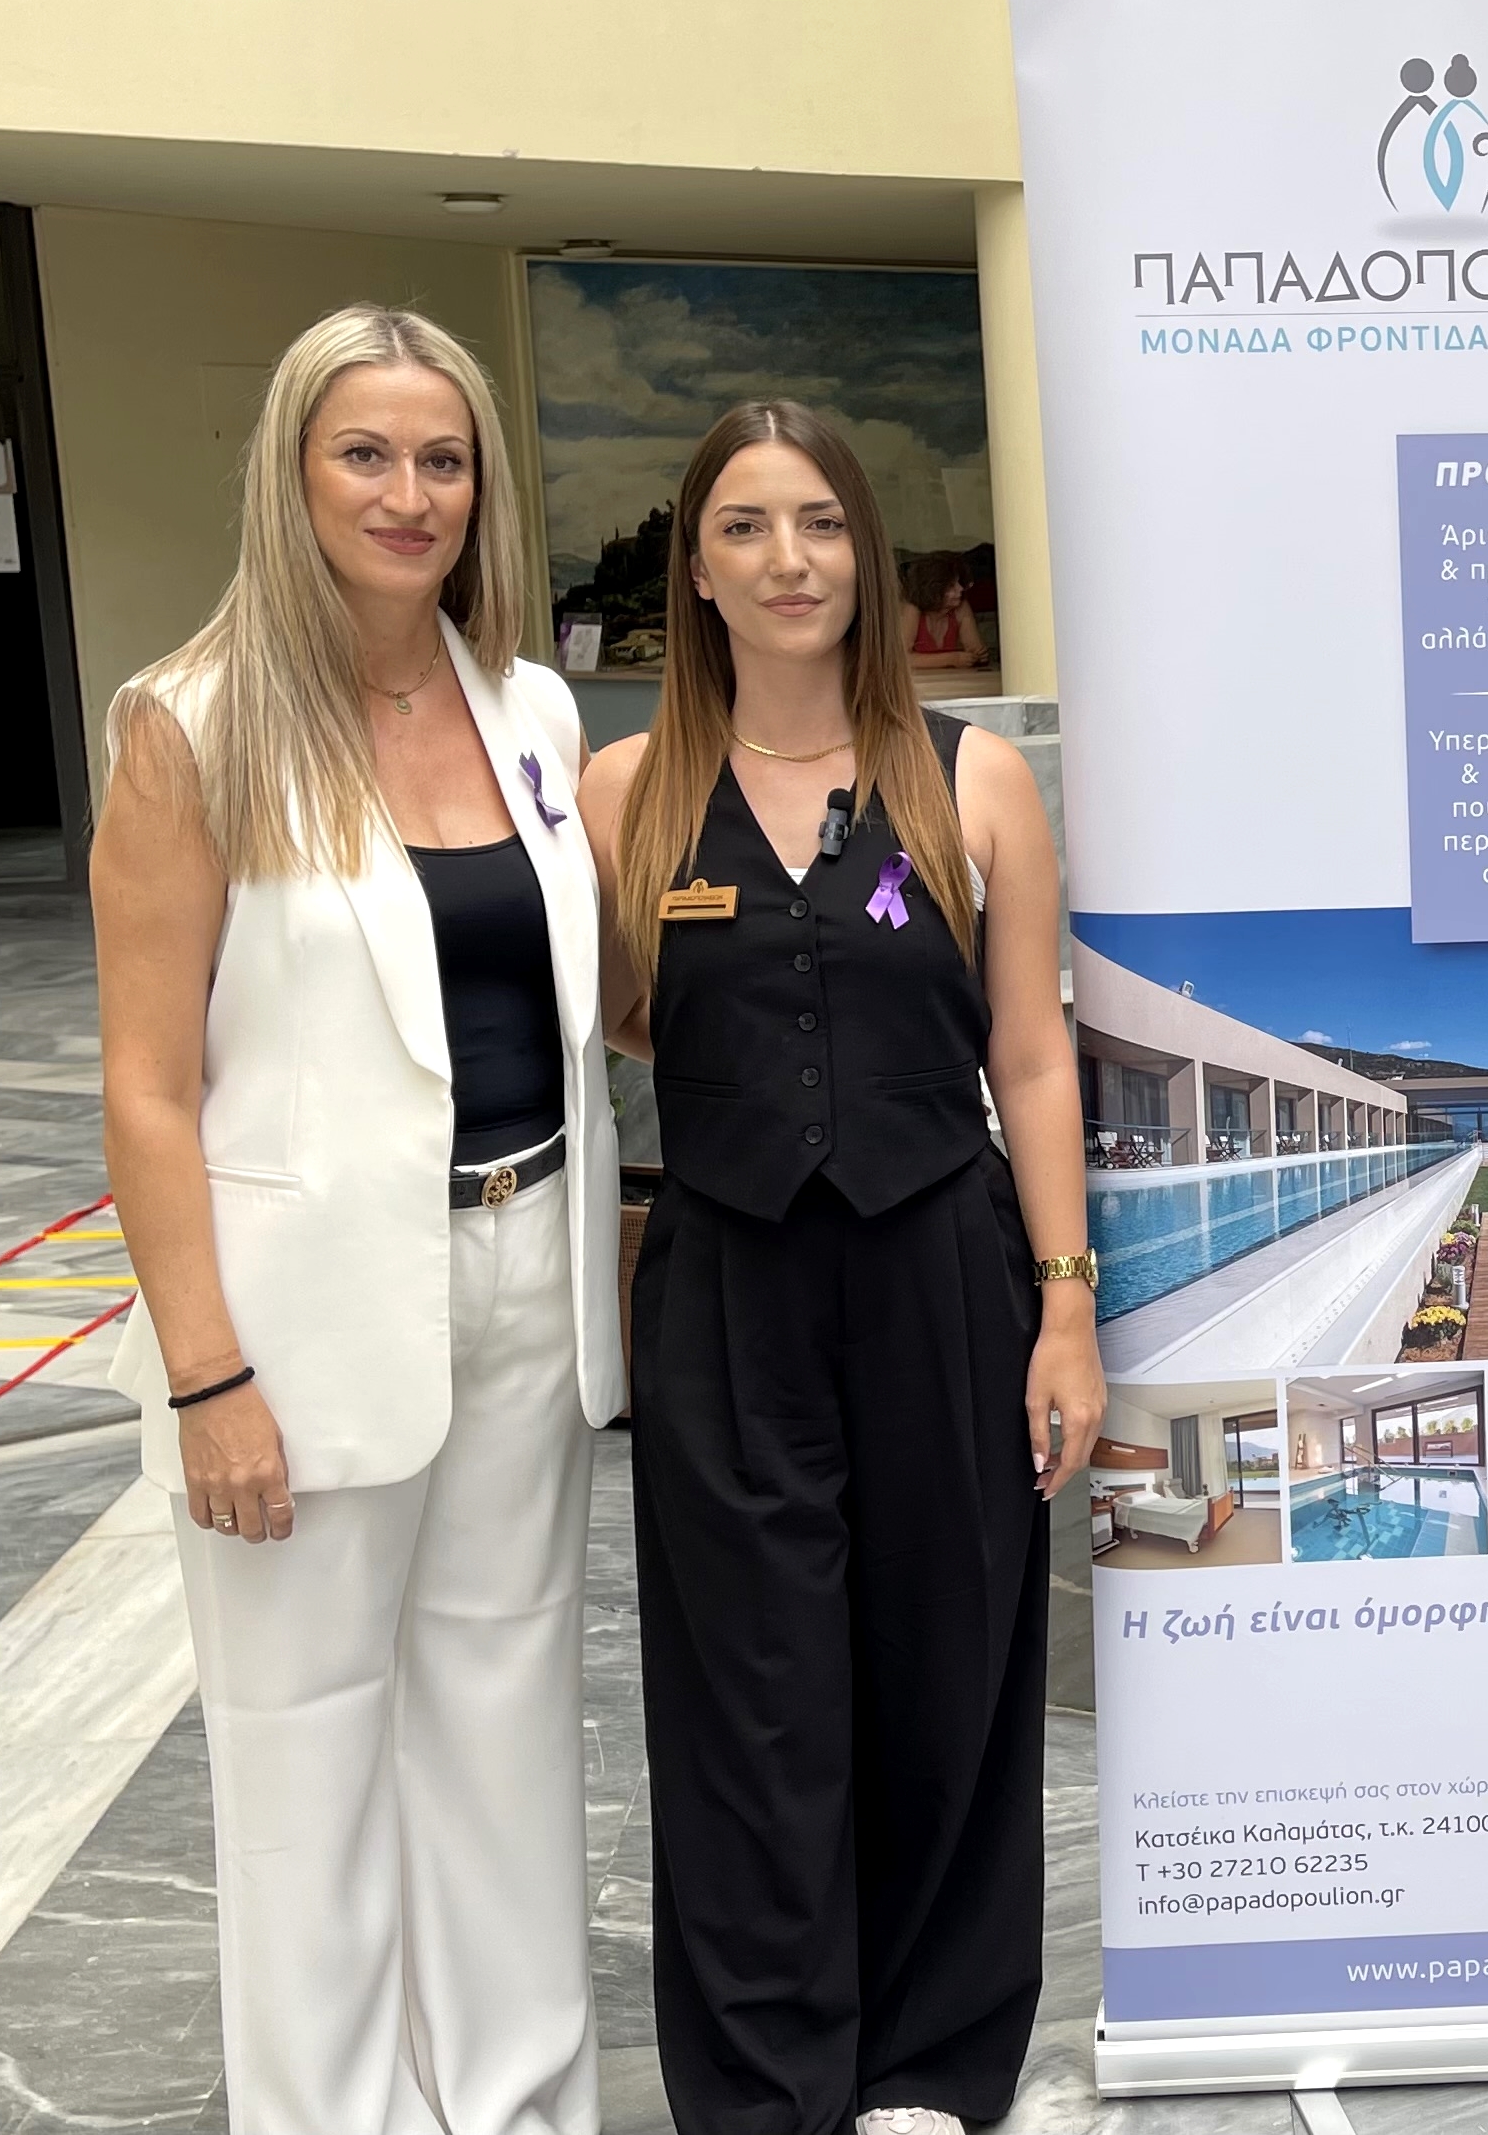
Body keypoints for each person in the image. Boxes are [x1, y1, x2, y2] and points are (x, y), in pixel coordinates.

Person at [93, 303, 619, 2135]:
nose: (411, 494)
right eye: (366, 455)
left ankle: (517, 2098)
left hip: (526, 1273)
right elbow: (148, 1087)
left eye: (443, 458)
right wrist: (205, 1373)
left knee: (502, 1723)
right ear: (291, 474)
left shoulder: (531, 710)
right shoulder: (189, 728)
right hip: (299, 1320)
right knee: (305, 1753)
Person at [579, 399, 1103, 2135]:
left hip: (940, 1268)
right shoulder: (625, 796)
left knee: (948, 1665)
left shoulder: (970, 780)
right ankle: (765, 2083)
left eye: (817, 521)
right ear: (695, 567)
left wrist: (1065, 1303)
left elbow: (1032, 1054)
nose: (786, 559)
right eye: (743, 526)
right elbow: (630, 1020)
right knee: (750, 1696)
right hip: (726, 1288)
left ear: (866, 554)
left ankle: (927, 2067)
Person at [901, 547, 987, 670]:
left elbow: (975, 652)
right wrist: (952, 659)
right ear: (932, 589)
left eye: (959, 582)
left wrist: (979, 656)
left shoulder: (961, 606)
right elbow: (903, 659)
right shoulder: (912, 610)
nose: (960, 589)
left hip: (951, 679)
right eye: (951, 585)